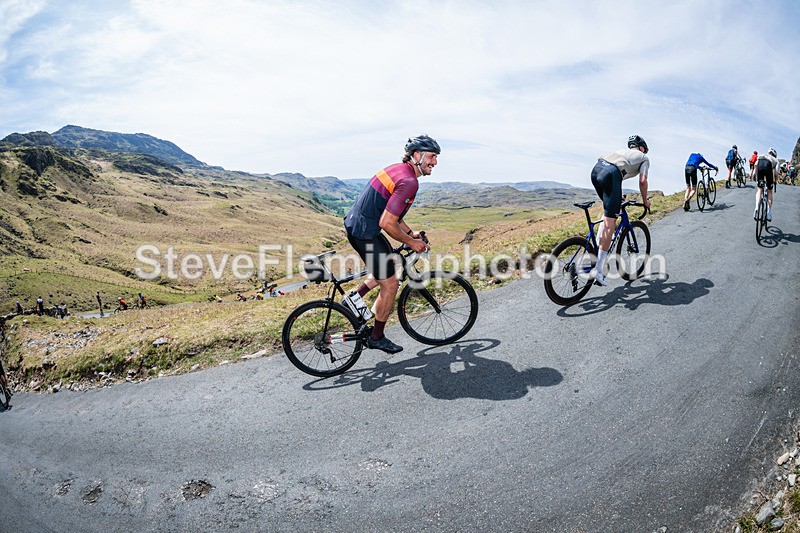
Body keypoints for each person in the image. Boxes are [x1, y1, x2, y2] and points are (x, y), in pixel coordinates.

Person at [342, 134, 437, 353]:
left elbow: (394, 215)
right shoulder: (410, 182)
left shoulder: (398, 170)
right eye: (431, 156)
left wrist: (410, 233)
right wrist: (412, 244)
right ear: (417, 155)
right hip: (365, 232)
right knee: (391, 284)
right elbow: (387, 222)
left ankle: (354, 299)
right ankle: (377, 337)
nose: (435, 162)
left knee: (391, 264)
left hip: (362, 227)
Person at [589, 135, 651, 287]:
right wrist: (645, 200)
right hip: (611, 174)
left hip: (596, 170)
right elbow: (642, 181)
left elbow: (617, 173)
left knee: (607, 215)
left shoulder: (622, 152)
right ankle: (598, 269)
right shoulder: (644, 158)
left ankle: (597, 249)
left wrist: (618, 194)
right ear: (642, 147)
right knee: (610, 222)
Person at [754, 148, 780, 221]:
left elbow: (756, 165)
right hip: (768, 166)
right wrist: (775, 181)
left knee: (759, 189)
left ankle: (756, 207)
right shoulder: (776, 160)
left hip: (760, 163)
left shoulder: (762, 155)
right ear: (775, 155)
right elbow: (776, 173)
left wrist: (756, 176)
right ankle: (768, 212)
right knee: (769, 191)